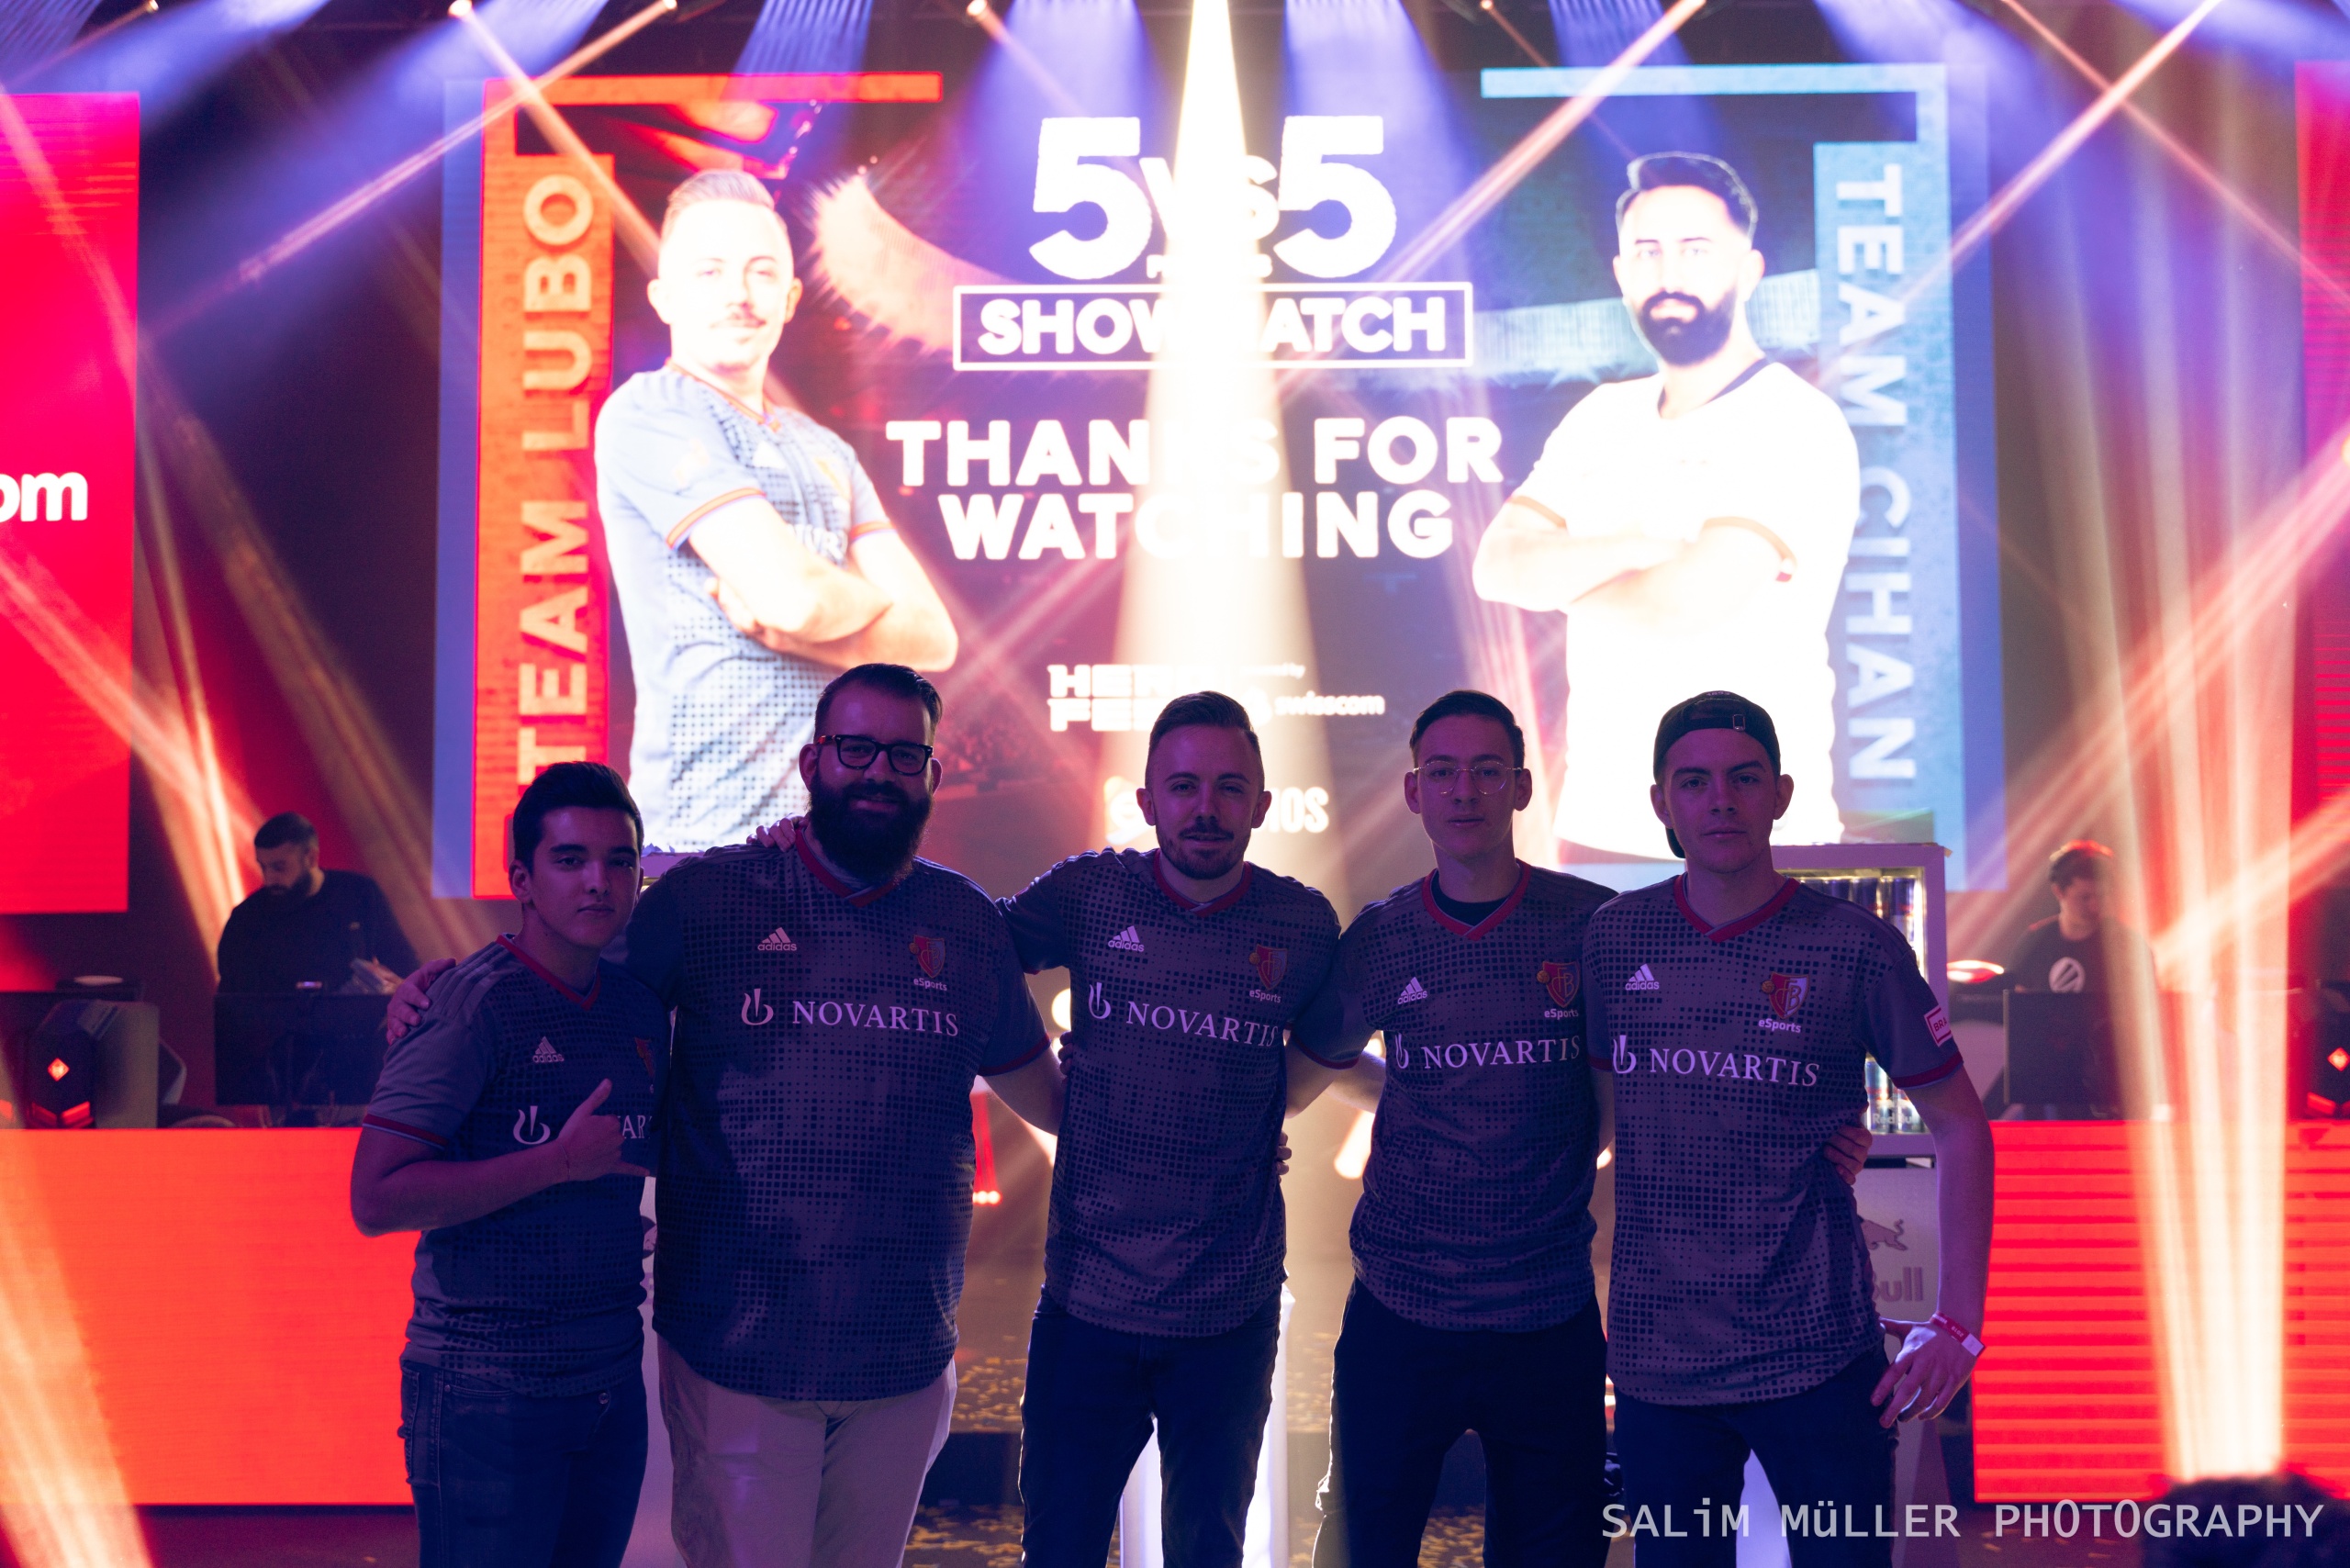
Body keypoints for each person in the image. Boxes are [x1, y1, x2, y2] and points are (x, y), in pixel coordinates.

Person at [389, 666, 1058, 1568]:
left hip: (905, 1355)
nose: (879, 771)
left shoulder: (964, 921)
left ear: (933, 775)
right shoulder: (706, 901)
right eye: (857, 748)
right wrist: (446, 985)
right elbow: (558, 962)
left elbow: (1051, 1100)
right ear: (812, 762)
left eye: (905, 755)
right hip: (738, 1349)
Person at [1282, 692, 1872, 1568]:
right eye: (1443, 772)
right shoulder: (1383, 938)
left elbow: (1686, 1061)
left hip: (1548, 1311)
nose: (1465, 790)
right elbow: (1305, 1075)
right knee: (1361, 1550)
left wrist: (1813, 1132)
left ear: (1522, 787)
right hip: (1402, 1310)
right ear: (1413, 791)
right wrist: (1400, 1091)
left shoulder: (1600, 926)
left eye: (1488, 770)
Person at [1583, 691, 1994, 1568]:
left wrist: (1958, 1323)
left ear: (1781, 793)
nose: (1720, 801)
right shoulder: (1615, 939)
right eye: (1694, 782)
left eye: (1744, 778)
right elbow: (1594, 1118)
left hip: (1820, 1355)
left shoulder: (1857, 947)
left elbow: (1961, 1125)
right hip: (1659, 1360)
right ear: (1661, 802)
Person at [1001, 691, 1340, 1568]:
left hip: (1229, 1315)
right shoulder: (1088, 891)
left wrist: (1264, 1119)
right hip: (1087, 1305)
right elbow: (966, 954)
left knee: (1208, 1551)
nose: (1206, 808)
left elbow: (1336, 1050)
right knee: (1059, 1549)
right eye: (1183, 787)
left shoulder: (1303, 926)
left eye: (1230, 788)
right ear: (1147, 800)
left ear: (1263, 805)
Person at [1470, 152, 1859, 861]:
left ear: (1749, 270)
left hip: (1756, 840)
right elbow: (1496, 568)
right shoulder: (1601, 416)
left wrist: (1553, 580)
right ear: (1621, 274)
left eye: (1695, 250)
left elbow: (1682, 606)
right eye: (1647, 252)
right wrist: (1638, 546)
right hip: (1597, 832)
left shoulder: (1793, 420)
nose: (1668, 273)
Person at [352, 763, 665, 1568]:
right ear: (522, 880)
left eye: (619, 861)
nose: (598, 881)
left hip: (608, 1378)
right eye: (570, 860)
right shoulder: (467, 1004)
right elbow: (375, 1199)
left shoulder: (637, 1008)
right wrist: (555, 1164)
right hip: (485, 1389)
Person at [597, 170, 957, 852]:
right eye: (709, 272)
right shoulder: (649, 411)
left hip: (829, 853)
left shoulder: (826, 449)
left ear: (790, 298)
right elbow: (794, 598)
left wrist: (802, 632)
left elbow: (933, 638)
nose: (738, 294)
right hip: (703, 842)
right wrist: (856, 605)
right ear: (664, 297)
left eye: (761, 272)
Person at [217, 811, 416, 991]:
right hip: (278, 1022)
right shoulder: (246, 919)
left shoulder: (359, 893)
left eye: (279, 867)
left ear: (311, 858)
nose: (269, 879)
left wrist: (392, 991)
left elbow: (404, 964)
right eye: (263, 867)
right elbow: (233, 1001)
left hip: (354, 1018)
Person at [2008, 840, 2154, 996]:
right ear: (2059, 892)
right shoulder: (2034, 944)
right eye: (2085, 897)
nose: (2094, 906)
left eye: (2101, 896)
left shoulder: (2129, 947)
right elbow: (2018, 1005)